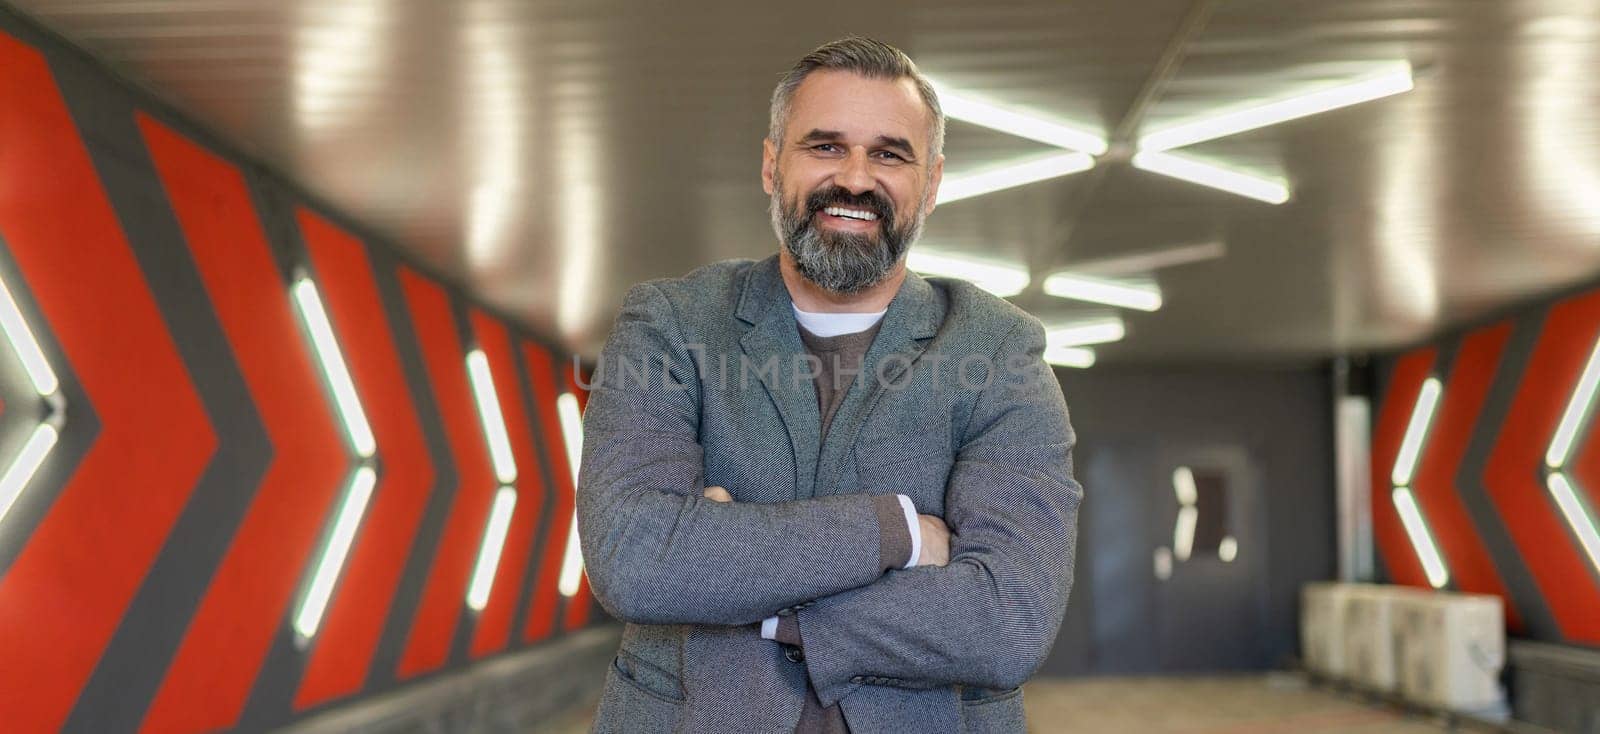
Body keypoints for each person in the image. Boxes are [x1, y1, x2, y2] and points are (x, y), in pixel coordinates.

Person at [577, 36, 1081, 733]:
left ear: (930, 183)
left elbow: (1008, 619)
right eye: (824, 146)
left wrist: (742, 581)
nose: (854, 177)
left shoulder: (999, 352)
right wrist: (895, 533)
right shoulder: (669, 324)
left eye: (889, 154)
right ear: (770, 164)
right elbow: (634, 559)